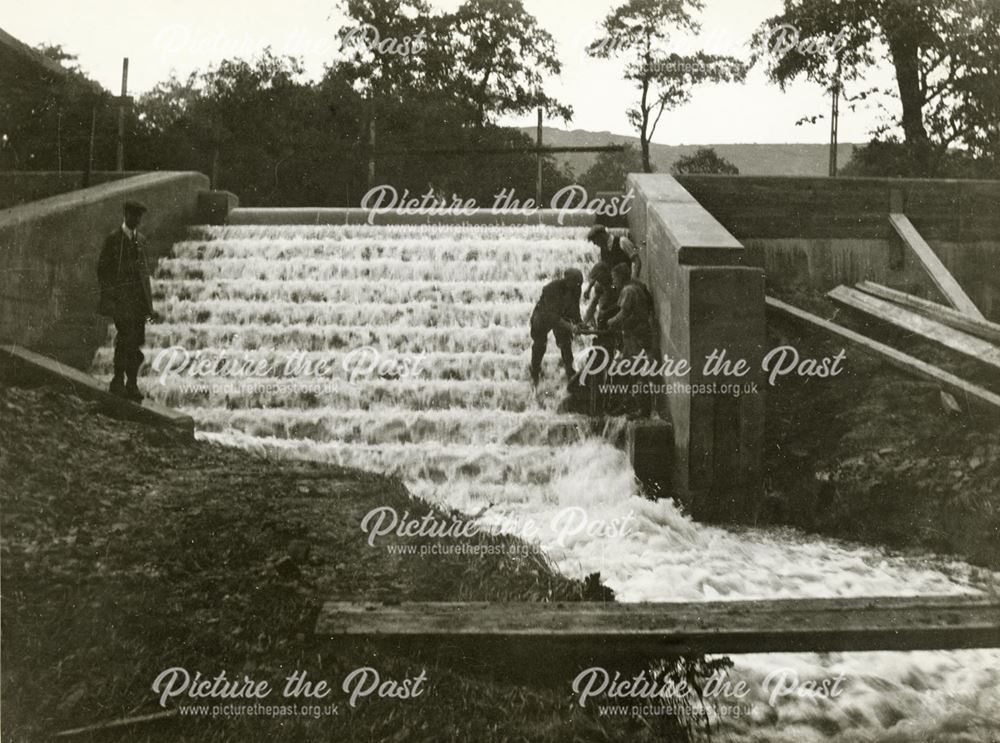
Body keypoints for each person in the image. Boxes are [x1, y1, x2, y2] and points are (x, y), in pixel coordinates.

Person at [97, 200, 153, 402]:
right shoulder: (114, 239)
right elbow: (102, 270)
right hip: (122, 302)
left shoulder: (142, 241)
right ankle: (118, 380)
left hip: (138, 304)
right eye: (133, 215)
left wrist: (149, 306)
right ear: (126, 215)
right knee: (125, 340)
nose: (136, 220)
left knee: (136, 342)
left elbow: (145, 275)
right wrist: (111, 295)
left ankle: (132, 383)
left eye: (139, 217)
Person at [606, 263, 655, 416]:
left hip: (635, 337)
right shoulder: (636, 286)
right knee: (626, 370)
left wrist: (610, 322)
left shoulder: (628, 290)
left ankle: (642, 409)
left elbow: (623, 314)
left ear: (621, 277)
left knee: (636, 372)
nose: (613, 281)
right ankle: (629, 404)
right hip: (637, 335)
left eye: (614, 277)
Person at [530, 267, 583, 386]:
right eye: (576, 284)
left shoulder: (576, 288)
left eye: (580, 284)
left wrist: (579, 322)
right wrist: (571, 327)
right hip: (543, 315)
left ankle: (570, 371)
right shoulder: (551, 289)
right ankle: (535, 371)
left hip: (560, 315)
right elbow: (552, 317)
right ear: (568, 281)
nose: (578, 287)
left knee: (565, 342)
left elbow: (575, 308)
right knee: (539, 344)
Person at [583, 225, 639, 299]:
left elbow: (637, 262)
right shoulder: (603, 249)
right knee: (598, 287)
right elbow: (600, 268)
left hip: (625, 281)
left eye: (595, 241)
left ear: (601, 236)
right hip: (613, 283)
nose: (594, 244)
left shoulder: (622, 241)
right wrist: (589, 288)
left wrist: (633, 281)